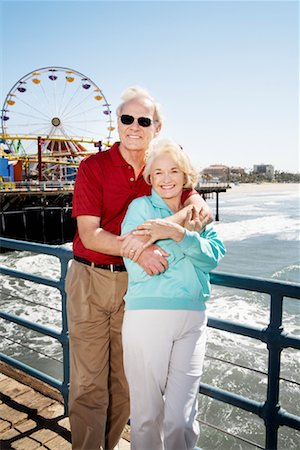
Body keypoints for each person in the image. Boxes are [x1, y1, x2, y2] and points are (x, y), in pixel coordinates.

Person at [65, 87, 213, 450]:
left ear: (156, 126)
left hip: (137, 289)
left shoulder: (160, 166)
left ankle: (110, 445)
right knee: (89, 385)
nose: (134, 126)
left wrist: (191, 202)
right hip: (92, 278)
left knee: (124, 385)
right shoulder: (93, 167)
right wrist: (141, 251)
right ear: (116, 123)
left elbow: (191, 196)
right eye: (126, 118)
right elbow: (90, 233)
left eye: (143, 120)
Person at [121, 137, 226, 450]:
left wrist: (177, 234)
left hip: (193, 318)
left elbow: (214, 256)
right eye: (159, 172)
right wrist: (183, 245)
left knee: (181, 418)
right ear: (150, 178)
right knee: (146, 416)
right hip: (147, 317)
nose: (167, 178)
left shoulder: (197, 213)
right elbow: (138, 262)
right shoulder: (140, 208)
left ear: (186, 177)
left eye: (174, 171)